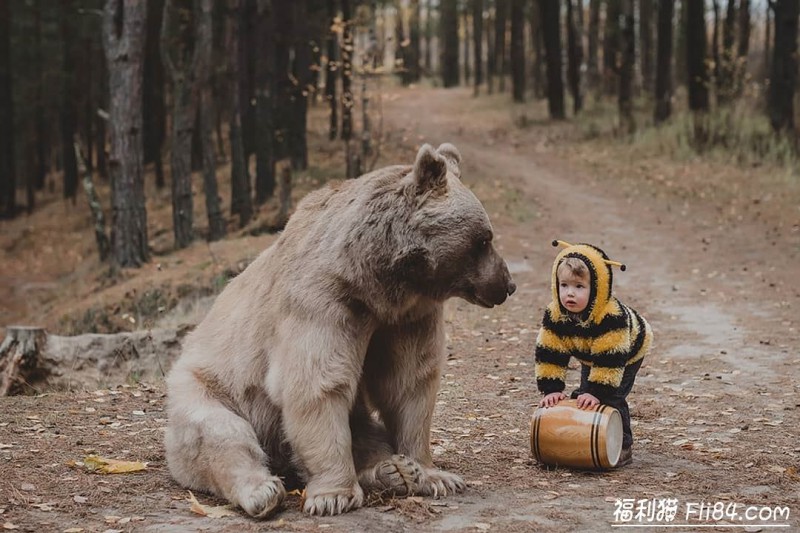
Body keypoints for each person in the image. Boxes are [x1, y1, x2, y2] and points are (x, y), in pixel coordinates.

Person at [533, 240, 653, 466]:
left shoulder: (610, 318)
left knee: (610, 395)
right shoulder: (555, 315)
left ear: (597, 287)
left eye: (579, 287)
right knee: (587, 393)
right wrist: (552, 389)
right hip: (590, 350)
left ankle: (623, 445)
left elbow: (611, 360)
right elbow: (550, 352)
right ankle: (584, 432)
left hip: (626, 352)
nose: (570, 294)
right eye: (564, 285)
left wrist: (598, 392)